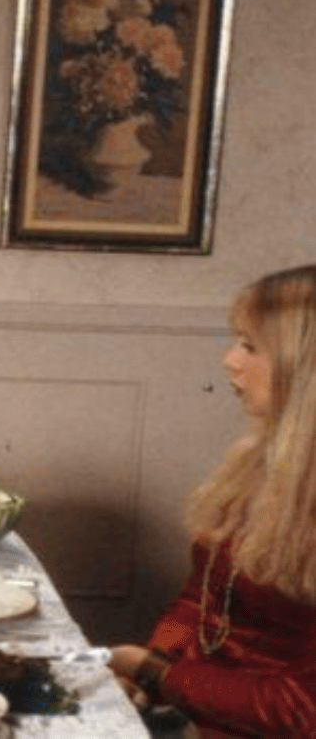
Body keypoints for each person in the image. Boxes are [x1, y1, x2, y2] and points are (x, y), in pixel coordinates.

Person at [109, 264, 316, 738]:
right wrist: (155, 667)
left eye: (250, 345)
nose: (230, 360)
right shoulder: (257, 461)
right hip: (196, 714)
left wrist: (159, 675)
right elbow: (199, 599)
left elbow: (305, 710)